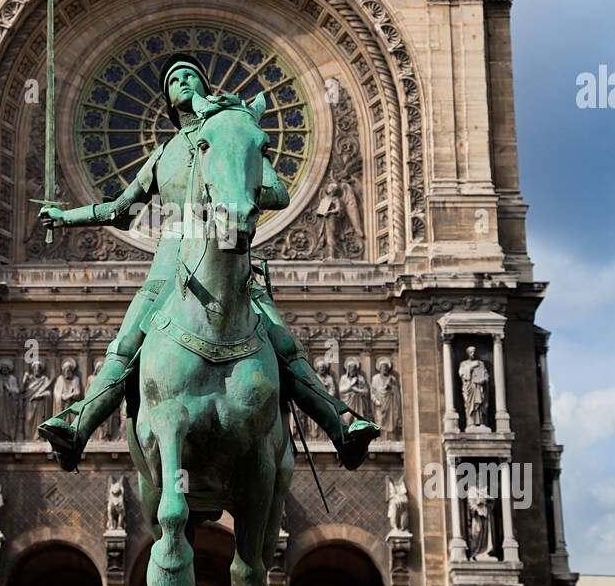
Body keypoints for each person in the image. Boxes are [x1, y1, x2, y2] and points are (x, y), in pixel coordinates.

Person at [37, 55, 379, 471]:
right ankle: (78, 425)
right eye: (174, 80)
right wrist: (66, 217)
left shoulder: (233, 133)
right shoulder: (163, 154)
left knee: (285, 343)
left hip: (230, 249)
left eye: (191, 76)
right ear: (168, 98)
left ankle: (340, 425)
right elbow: (122, 210)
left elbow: (279, 193)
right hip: (171, 261)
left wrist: (235, 195)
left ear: (205, 88)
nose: (183, 81)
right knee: (125, 344)